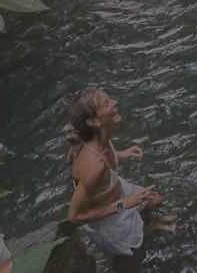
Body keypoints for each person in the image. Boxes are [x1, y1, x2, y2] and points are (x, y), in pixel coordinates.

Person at [65, 87, 161, 256]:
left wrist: (122, 154)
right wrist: (124, 204)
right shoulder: (95, 166)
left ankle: (149, 224)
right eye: (107, 103)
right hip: (110, 220)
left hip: (115, 190)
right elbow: (73, 217)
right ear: (94, 121)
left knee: (155, 199)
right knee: (136, 253)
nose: (115, 102)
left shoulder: (98, 137)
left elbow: (105, 157)